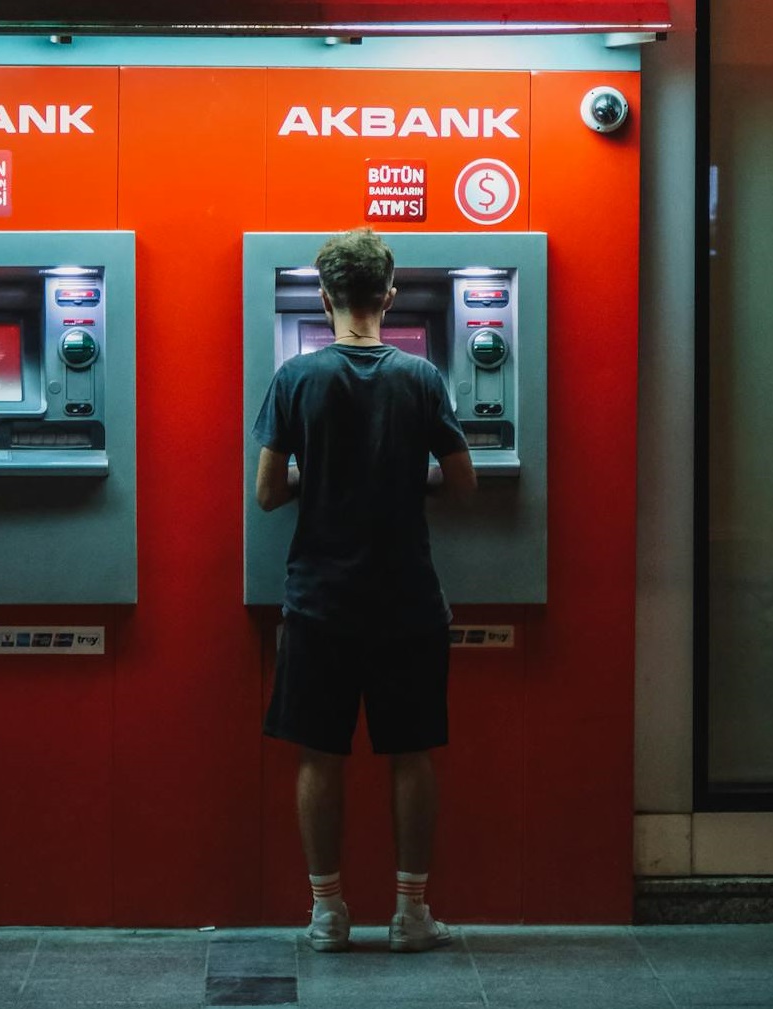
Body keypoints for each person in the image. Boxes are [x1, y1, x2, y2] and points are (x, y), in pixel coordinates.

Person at [251, 228, 477, 954]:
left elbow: (265, 493)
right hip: (407, 597)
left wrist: (320, 477)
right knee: (411, 752)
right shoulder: (422, 378)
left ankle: (327, 912)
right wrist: (404, 475)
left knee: (320, 753)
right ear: (388, 295)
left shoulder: (295, 377)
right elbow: (464, 481)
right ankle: (411, 913)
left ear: (323, 298)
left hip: (320, 597)